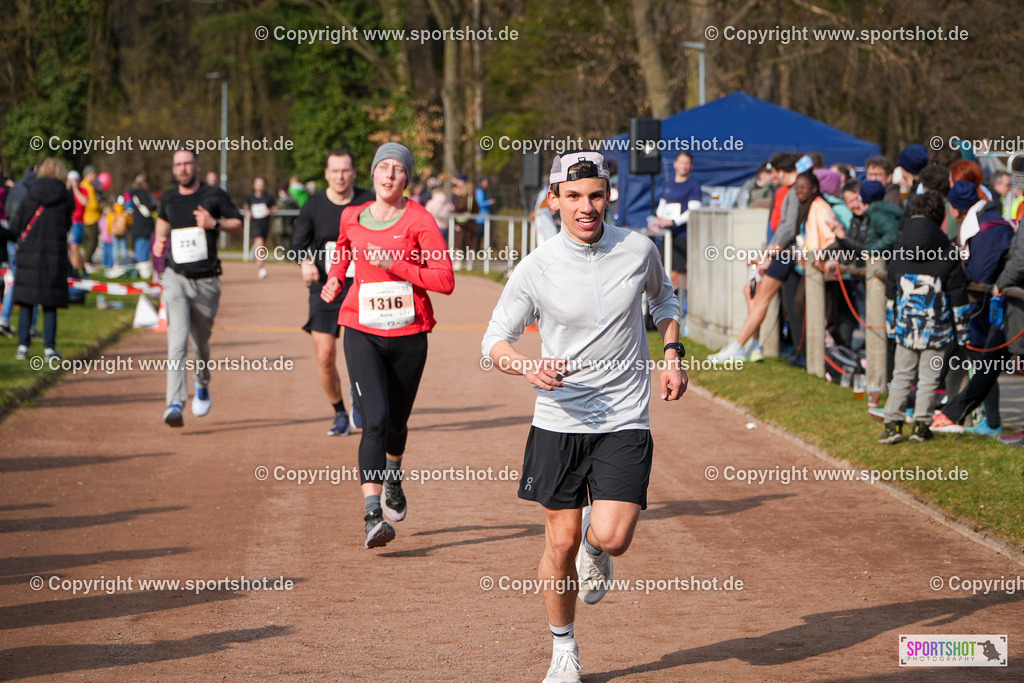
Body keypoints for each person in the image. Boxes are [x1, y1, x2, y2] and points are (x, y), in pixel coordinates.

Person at [482, 150, 684, 683]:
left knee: (612, 538)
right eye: (573, 197)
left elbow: (665, 302)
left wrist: (671, 354)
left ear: (608, 196)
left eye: (595, 195)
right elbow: (494, 340)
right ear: (554, 201)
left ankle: (599, 546)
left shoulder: (638, 250)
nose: (585, 206)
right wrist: (527, 366)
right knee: (560, 543)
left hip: (624, 416)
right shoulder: (536, 267)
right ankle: (563, 649)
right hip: (560, 420)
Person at [320, 142, 454, 548]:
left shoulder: (420, 220)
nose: (390, 174)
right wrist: (335, 278)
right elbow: (343, 251)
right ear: (374, 174)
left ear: (406, 179)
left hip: (409, 335)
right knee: (374, 420)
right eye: (384, 167)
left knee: (396, 422)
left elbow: (445, 280)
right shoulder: (352, 216)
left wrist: (393, 264)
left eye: (398, 169)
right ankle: (372, 516)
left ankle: (393, 476)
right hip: (361, 329)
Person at [152, 149, 242, 427]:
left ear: (197, 166)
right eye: (178, 164)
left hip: (206, 282)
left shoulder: (214, 195)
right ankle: (175, 403)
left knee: (200, 344)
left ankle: (202, 383)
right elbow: (162, 224)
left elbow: (238, 224)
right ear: (173, 168)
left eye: (187, 163)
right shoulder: (169, 197)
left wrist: (214, 223)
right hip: (176, 277)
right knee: (178, 340)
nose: (182, 168)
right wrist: (159, 242)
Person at [292, 148, 374, 436]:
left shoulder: (368, 202)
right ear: (326, 174)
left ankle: (359, 397)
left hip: (361, 286)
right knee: (325, 354)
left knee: (362, 353)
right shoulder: (313, 205)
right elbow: (298, 245)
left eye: (345, 170)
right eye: (335, 171)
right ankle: (339, 411)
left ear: (354, 173)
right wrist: (305, 262)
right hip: (325, 287)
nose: (340, 176)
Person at [878, 191, 968, 444]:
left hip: (906, 326)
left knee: (901, 375)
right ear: (939, 217)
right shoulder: (948, 251)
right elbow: (958, 296)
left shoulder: (899, 249)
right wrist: (963, 334)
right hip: (936, 328)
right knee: (929, 378)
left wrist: (891, 328)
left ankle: (892, 425)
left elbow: (891, 293)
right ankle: (921, 426)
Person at [931, 181, 1014, 437]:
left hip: (992, 307)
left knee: (986, 363)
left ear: (956, 209)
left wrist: (955, 273)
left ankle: (988, 421)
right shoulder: (982, 223)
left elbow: (980, 272)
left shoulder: (989, 228)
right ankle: (966, 415)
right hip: (986, 306)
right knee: (984, 363)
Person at [8, 158, 75, 361]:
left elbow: (16, 225)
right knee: (50, 303)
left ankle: (22, 346)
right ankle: (49, 348)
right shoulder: (65, 197)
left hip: (29, 252)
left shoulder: (30, 194)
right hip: (53, 255)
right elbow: (67, 226)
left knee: (26, 301)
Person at [653, 151, 701, 292]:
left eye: (687, 163)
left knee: (676, 278)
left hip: (683, 238)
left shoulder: (693, 186)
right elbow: (662, 207)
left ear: (691, 166)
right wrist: (658, 220)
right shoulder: (668, 184)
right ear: (675, 164)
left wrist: (674, 221)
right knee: (663, 274)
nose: (684, 166)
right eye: (681, 162)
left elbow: (694, 211)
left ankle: (675, 304)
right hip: (667, 238)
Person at [245, 176, 277, 279]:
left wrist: (270, 211)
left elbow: (275, 208)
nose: (260, 186)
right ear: (254, 185)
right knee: (260, 244)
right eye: (258, 184)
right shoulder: (250, 197)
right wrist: (248, 213)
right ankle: (261, 267)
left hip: (265, 224)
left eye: (262, 184)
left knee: (261, 246)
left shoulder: (268, 197)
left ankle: (259, 262)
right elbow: (246, 206)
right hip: (255, 224)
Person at [127, 175, 157, 276]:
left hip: (137, 224)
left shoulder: (133, 194)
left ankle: (138, 269)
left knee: (139, 246)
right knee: (143, 246)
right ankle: (143, 270)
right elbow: (149, 206)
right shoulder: (142, 194)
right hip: (144, 224)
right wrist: (154, 205)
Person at [451, 173, 476, 270]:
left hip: (461, 224)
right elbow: (476, 209)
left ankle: (458, 263)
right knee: (470, 245)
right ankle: (469, 264)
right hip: (471, 224)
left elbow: (456, 210)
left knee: (459, 244)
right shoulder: (472, 198)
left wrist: (456, 223)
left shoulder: (460, 198)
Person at [79, 165, 102, 268]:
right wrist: (99, 207)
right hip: (89, 217)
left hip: (92, 217)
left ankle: (87, 262)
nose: (95, 176)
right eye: (93, 174)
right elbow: (91, 204)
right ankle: (87, 262)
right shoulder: (85, 186)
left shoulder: (90, 186)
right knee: (92, 241)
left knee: (93, 241)